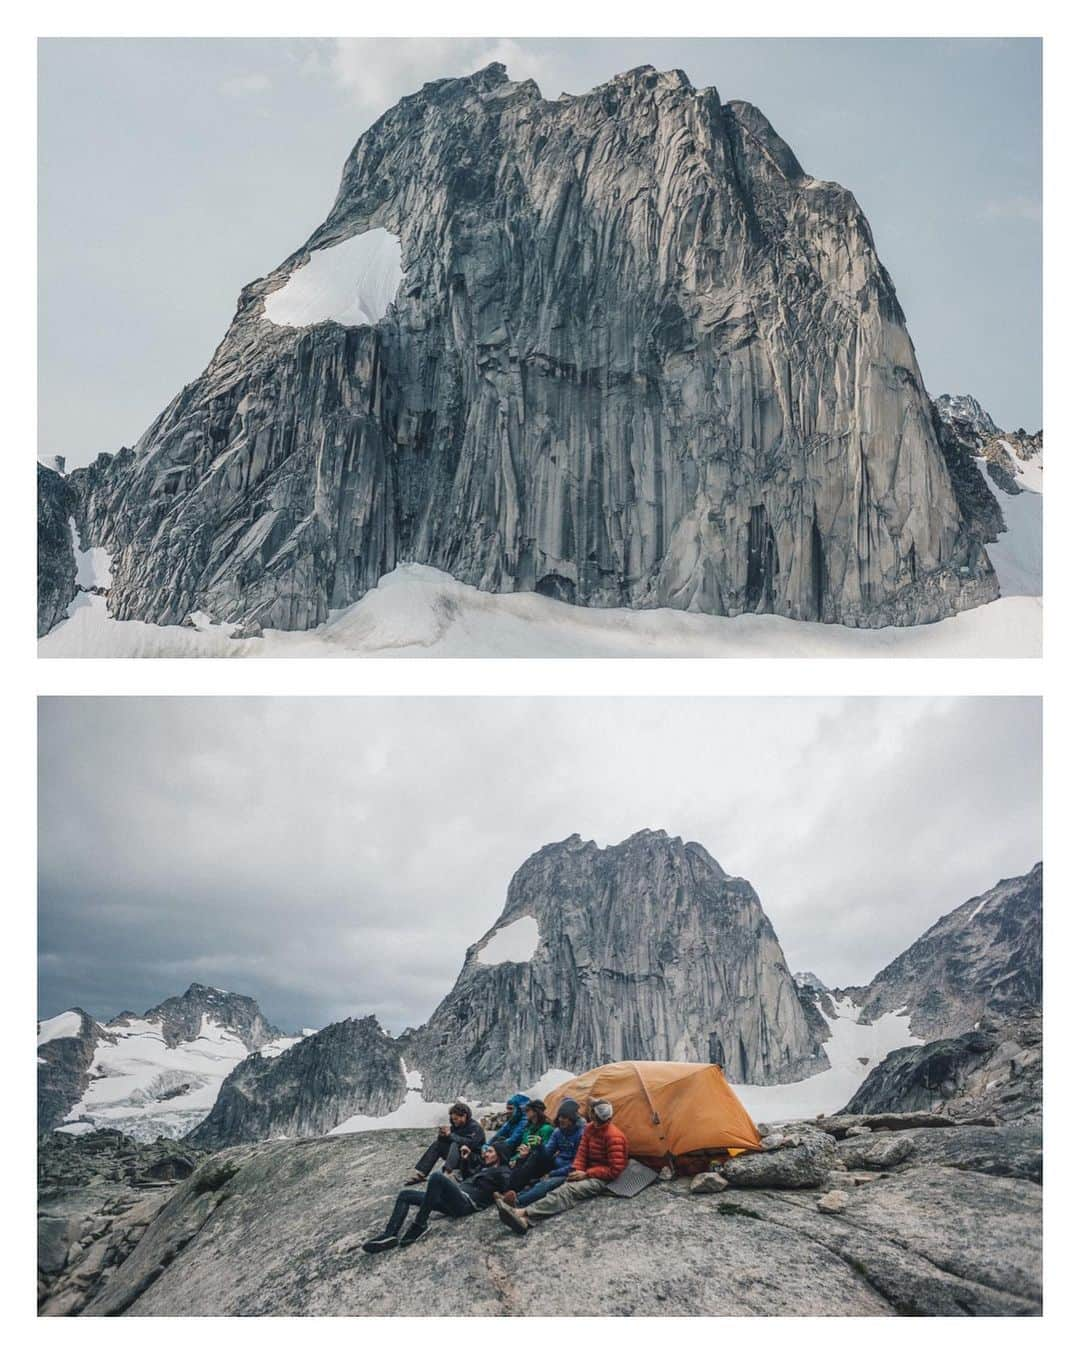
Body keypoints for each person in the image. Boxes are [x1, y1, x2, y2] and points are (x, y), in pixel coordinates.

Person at [495, 1098, 628, 1235]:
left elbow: (614, 1170)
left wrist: (586, 1173)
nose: (588, 1112)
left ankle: (524, 1214)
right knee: (558, 1183)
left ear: (595, 1114)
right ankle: (519, 1208)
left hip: (601, 1178)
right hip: (584, 1170)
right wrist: (577, 1169)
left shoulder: (614, 1137)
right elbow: (581, 1154)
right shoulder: (590, 1128)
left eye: (591, 1110)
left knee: (566, 1190)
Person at [364, 1139, 513, 1253]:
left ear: (500, 1155)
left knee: (437, 1177)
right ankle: (389, 1235)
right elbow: (469, 1177)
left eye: (490, 1151)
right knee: (405, 1195)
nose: (486, 1153)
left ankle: (420, 1224)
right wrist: (465, 1160)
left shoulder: (504, 1172)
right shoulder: (485, 1167)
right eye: (487, 1151)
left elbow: (510, 1188)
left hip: (466, 1203)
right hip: (454, 1199)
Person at [506, 1097, 585, 1206]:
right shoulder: (558, 1132)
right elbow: (547, 1152)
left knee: (545, 1184)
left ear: (572, 1119)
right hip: (555, 1164)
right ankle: (512, 1190)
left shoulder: (581, 1135)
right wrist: (536, 1149)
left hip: (569, 1171)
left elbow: (576, 1163)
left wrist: (552, 1173)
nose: (561, 1120)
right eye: (560, 1117)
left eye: (565, 1117)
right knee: (537, 1153)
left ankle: (518, 1201)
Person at [406, 1101, 485, 1184]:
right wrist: (442, 1135)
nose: (454, 1121)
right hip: (458, 1157)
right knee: (438, 1144)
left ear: (464, 1116)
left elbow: (469, 1143)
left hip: (472, 1159)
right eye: (453, 1119)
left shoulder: (475, 1127)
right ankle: (422, 1173)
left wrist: (450, 1135)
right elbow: (446, 1140)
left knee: (456, 1144)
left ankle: (448, 1172)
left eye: (456, 1119)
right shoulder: (456, 1125)